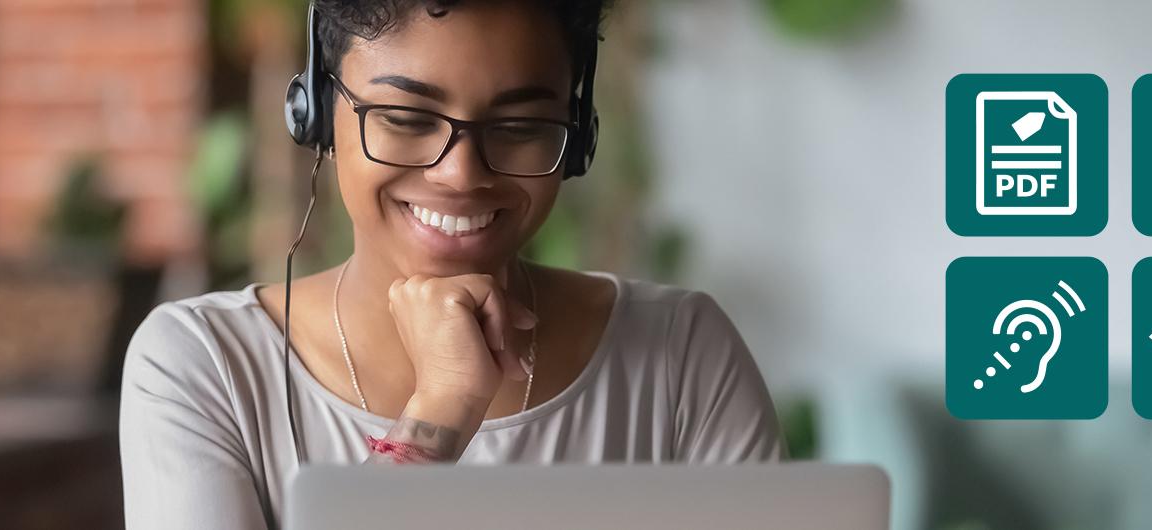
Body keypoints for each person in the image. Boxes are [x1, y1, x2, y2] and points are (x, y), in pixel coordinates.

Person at [119, 0, 782, 526]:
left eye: (519, 128)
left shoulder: (681, 354)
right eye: (407, 118)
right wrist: (440, 409)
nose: (460, 174)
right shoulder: (203, 366)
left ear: (576, 139)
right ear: (317, 115)